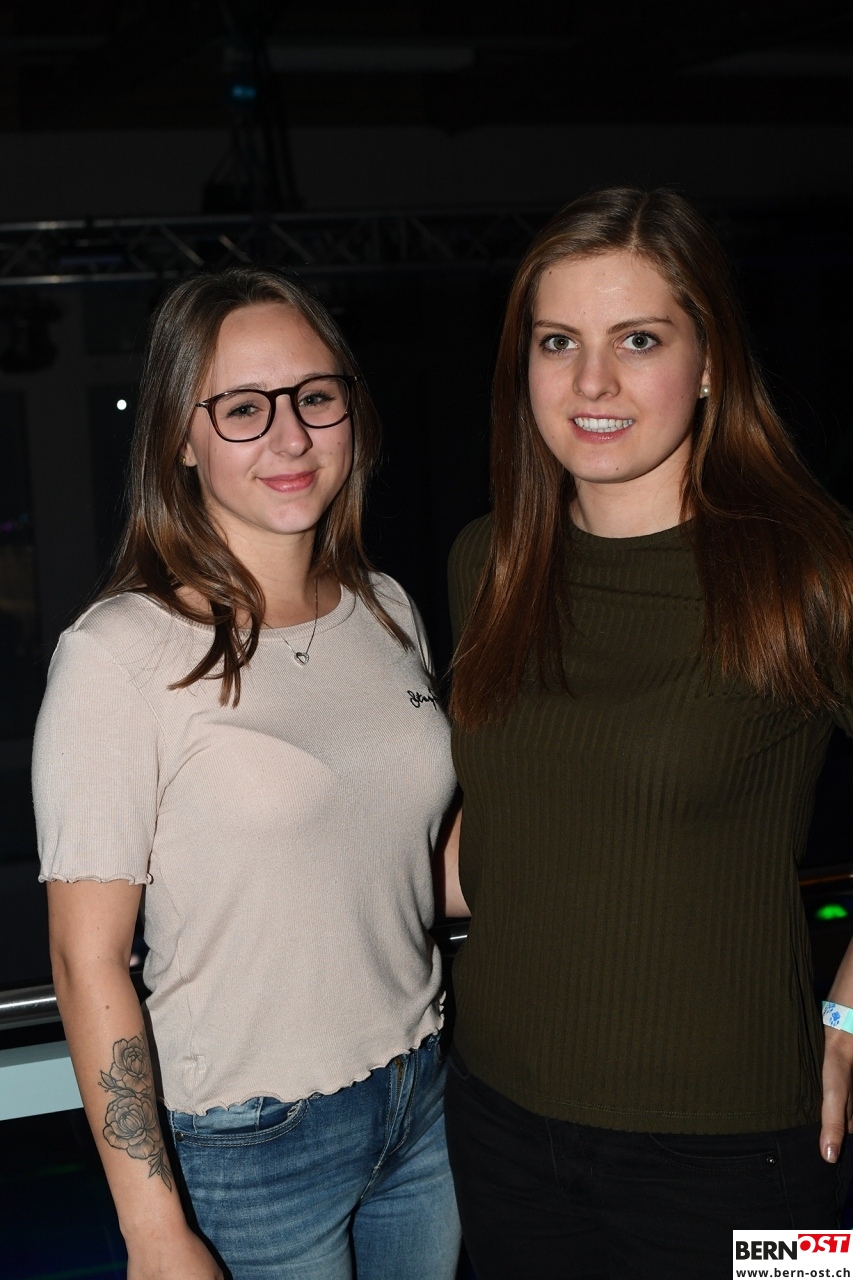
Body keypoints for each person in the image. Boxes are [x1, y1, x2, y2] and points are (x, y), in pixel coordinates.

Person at [442, 186, 853, 1279]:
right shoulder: (488, 562)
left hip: (749, 1152)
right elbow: (502, 823)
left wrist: (851, 1015)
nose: (591, 383)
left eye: (637, 339)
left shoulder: (812, 569)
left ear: (709, 361)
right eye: (557, 342)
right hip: (495, 1124)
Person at [34, 267, 462, 1280]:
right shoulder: (118, 654)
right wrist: (152, 1227)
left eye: (315, 396)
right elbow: (86, 959)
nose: (291, 436)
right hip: (250, 1139)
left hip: (422, 1095)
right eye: (241, 408)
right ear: (180, 438)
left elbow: (418, 866)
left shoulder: (387, 608)